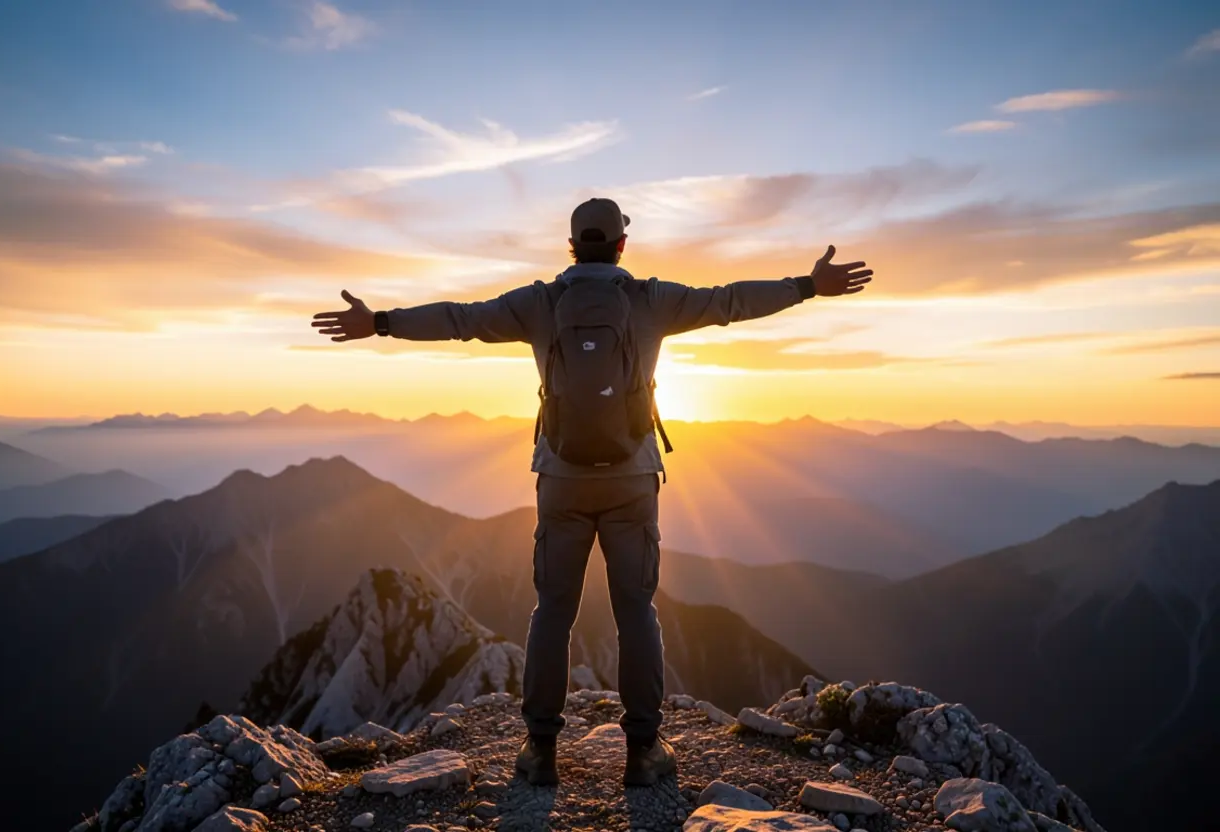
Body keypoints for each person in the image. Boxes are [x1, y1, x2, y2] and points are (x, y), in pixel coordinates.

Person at [311, 197, 874, 788]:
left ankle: (539, 752)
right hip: (633, 480)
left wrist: (378, 322)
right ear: (623, 245)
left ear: (572, 243)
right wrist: (808, 285)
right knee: (637, 612)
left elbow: (460, 319)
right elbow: (731, 301)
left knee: (553, 612)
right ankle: (642, 753)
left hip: (561, 480)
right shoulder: (651, 300)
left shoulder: (539, 303)